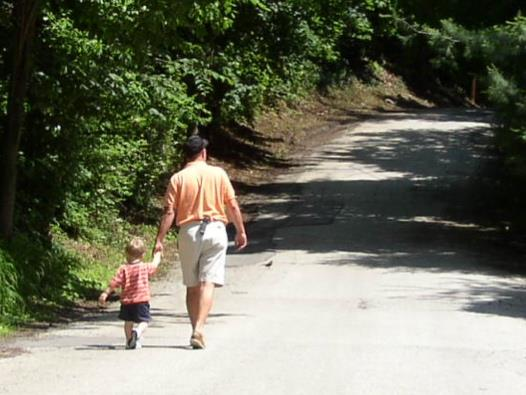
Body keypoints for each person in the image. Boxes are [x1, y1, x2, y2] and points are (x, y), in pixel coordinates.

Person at [154, 135, 247, 349]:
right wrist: (240, 231)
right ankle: (199, 329)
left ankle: (194, 328)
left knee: (192, 285)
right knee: (208, 282)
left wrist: (160, 239)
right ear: (204, 153)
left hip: (188, 231)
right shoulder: (219, 174)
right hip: (215, 229)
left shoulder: (177, 178)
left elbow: (169, 212)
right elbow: (232, 206)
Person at [98, 237, 162, 350]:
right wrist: (157, 254)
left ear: (127, 254)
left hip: (127, 301)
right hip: (141, 300)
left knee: (128, 322)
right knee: (144, 321)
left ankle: (129, 341)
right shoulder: (144, 267)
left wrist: (105, 293)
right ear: (143, 255)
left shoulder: (124, 269)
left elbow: (115, 282)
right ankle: (137, 332)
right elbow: (154, 265)